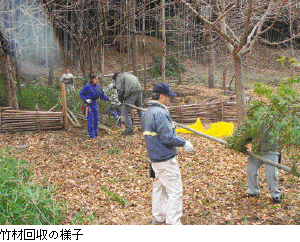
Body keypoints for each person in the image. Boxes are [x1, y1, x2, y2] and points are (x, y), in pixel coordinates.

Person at [141, 83, 195, 225]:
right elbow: (167, 137)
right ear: (161, 96)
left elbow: (157, 131)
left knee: (159, 188)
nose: (169, 100)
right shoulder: (160, 113)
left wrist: (169, 125)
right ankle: (173, 223)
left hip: (155, 158)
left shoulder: (148, 111)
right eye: (168, 97)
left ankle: (159, 216)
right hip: (165, 158)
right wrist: (184, 143)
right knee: (175, 190)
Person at [245, 131, 282, 204]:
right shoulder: (255, 121)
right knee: (250, 169)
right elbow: (250, 132)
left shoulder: (275, 122)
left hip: (272, 151)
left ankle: (275, 195)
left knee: (271, 174)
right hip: (257, 150)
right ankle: (253, 191)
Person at [79, 73, 110, 139]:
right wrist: (86, 99)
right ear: (91, 80)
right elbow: (81, 94)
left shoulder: (98, 87)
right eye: (95, 79)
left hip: (94, 105)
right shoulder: (87, 87)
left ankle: (96, 134)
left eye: (97, 79)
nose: (97, 80)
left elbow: (102, 96)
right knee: (90, 120)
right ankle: (92, 135)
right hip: (88, 106)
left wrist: (109, 99)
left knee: (96, 120)